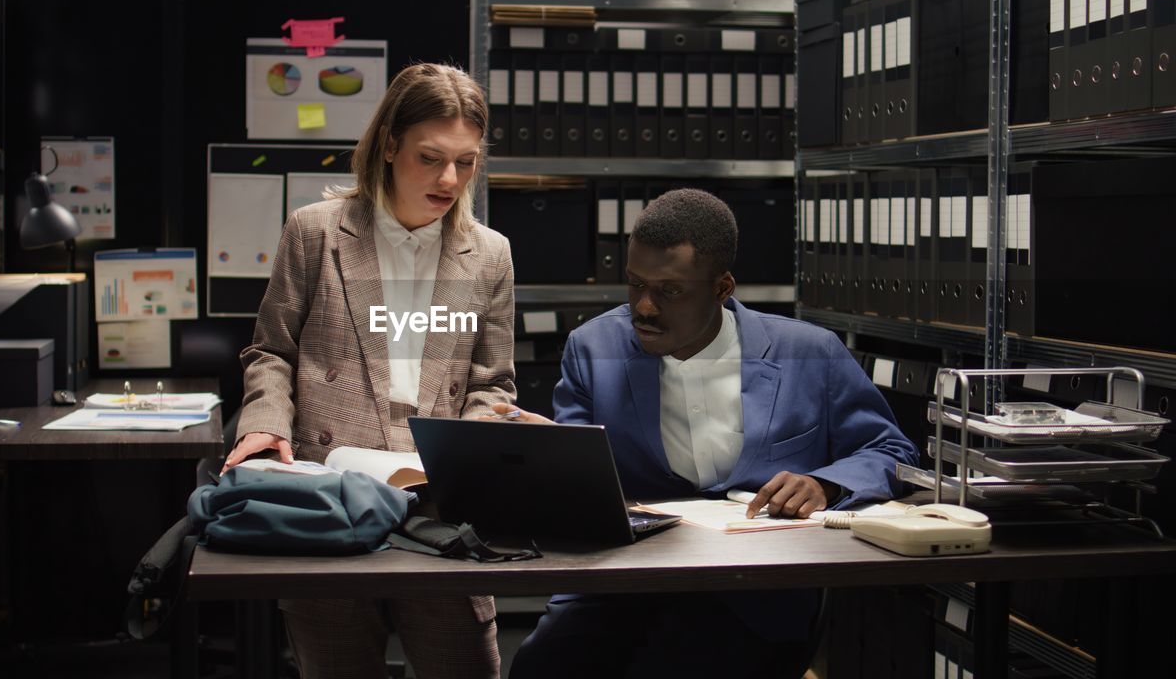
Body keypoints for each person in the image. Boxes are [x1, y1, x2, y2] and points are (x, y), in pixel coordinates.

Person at [498, 188, 919, 679]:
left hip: (750, 592)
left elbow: (890, 450)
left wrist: (824, 484)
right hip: (622, 584)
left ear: (722, 288)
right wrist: (547, 454)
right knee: (537, 668)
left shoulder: (810, 352)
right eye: (635, 285)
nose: (645, 307)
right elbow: (578, 480)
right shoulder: (593, 349)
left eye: (670, 290)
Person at [225, 63, 515, 679]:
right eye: (430, 157)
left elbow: (492, 383)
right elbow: (271, 351)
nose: (448, 179)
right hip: (331, 496)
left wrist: (475, 446)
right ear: (388, 144)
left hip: (438, 501)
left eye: (465, 163)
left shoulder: (489, 253)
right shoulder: (314, 232)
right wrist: (263, 421)